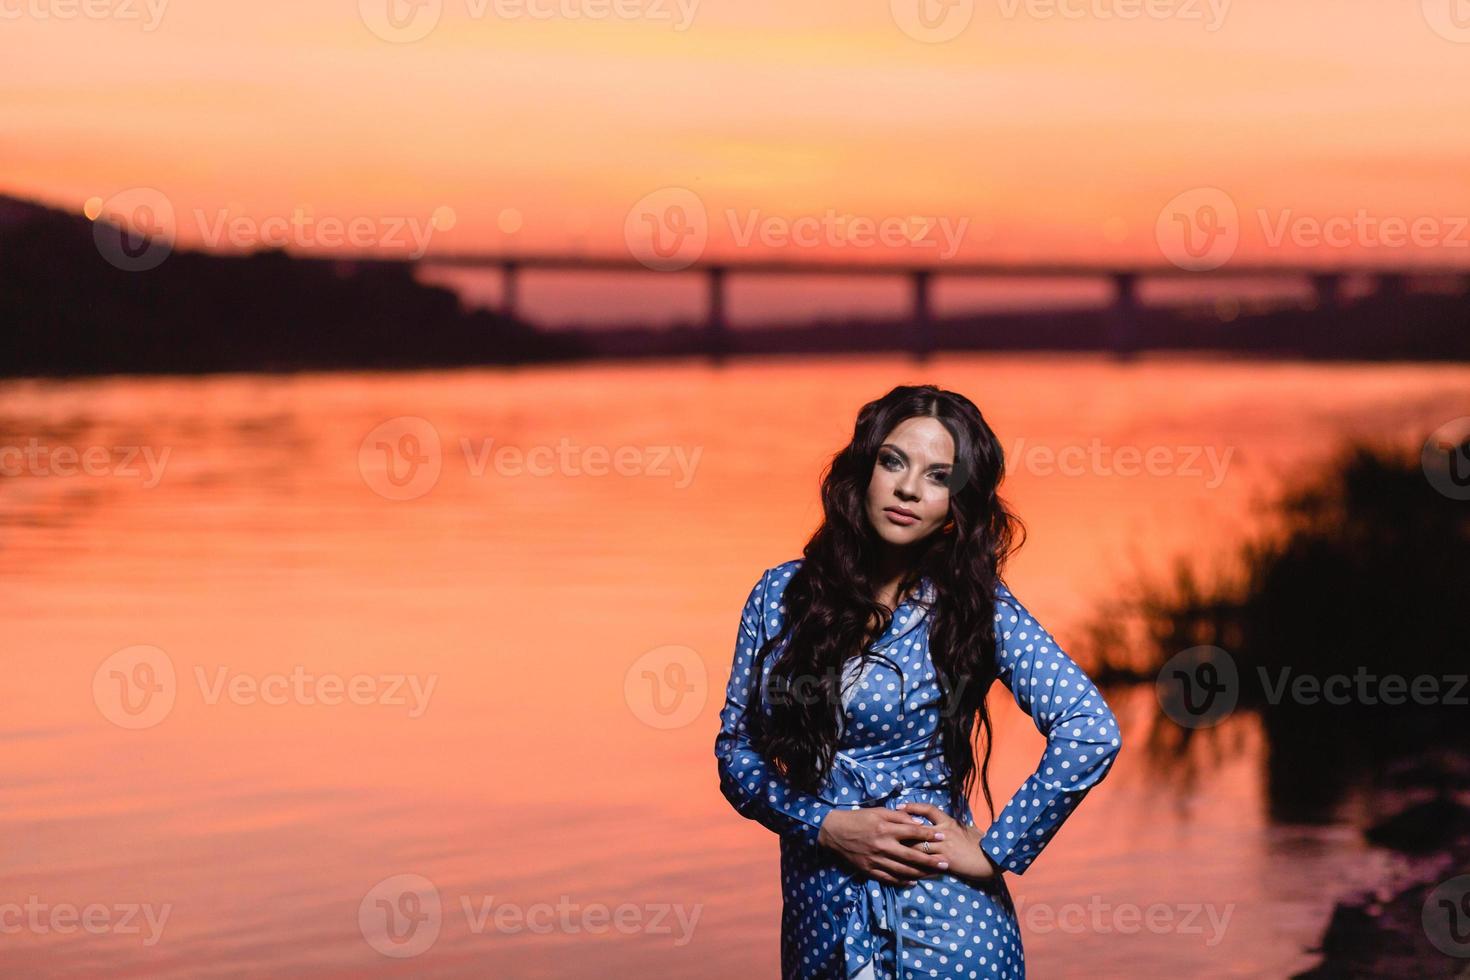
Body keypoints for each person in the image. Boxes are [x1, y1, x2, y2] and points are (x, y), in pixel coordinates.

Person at [714, 383, 1124, 978]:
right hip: (818, 925)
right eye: (894, 461)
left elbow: (1090, 729)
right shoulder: (781, 595)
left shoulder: (975, 608)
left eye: (939, 477)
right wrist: (823, 825)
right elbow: (736, 751)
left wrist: (995, 852)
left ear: (957, 505)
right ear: (864, 470)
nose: (909, 489)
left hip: (946, 931)